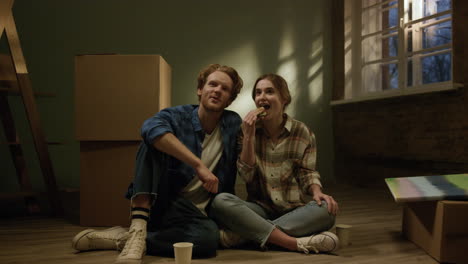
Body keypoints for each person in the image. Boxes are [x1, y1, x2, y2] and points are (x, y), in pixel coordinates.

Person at [71, 64, 244, 264]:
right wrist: (198, 165)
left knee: (207, 241)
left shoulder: (232, 123)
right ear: (200, 89)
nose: (217, 90)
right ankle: (137, 228)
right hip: (164, 201)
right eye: (212, 84)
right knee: (152, 142)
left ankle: (124, 238)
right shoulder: (178, 115)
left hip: (196, 212)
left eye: (225, 89)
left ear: (230, 99)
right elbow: (149, 128)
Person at [210, 73, 340, 254]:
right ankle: (293, 242)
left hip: (293, 210)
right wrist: (249, 136)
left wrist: (317, 192)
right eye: (258, 93)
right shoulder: (246, 131)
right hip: (259, 209)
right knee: (220, 201)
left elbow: (307, 172)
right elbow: (246, 175)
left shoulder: (302, 132)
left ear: (284, 98)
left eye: (269, 92)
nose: (262, 97)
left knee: (327, 210)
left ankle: (241, 237)